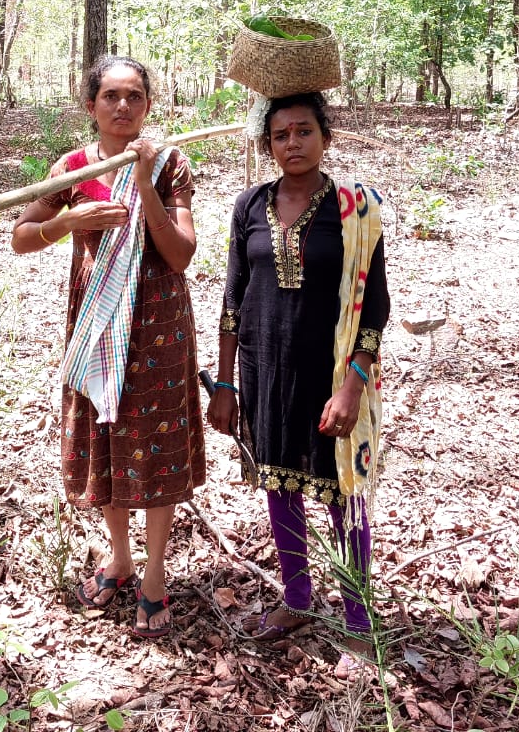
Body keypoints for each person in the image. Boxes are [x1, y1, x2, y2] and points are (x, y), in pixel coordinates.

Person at [11, 55, 205, 639]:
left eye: (134, 96)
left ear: (148, 104)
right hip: (96, 324)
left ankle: (154, 573)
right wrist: (68, 221)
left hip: (158, 325)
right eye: (110, 96)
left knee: (157, 442)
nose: (123, 106)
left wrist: (143, 185)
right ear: (91, 104)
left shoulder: (169, 164)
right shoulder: (71, 169)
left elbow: (181, 254)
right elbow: (21, 237)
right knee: (108, 436)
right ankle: (119, 556)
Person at [206, 91, 390, 657]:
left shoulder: (355, 210)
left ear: (326, 137)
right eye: (281, 135)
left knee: (342, 494)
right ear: (268, 145)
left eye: (304, 131)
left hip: (329, 374)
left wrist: (352, 386)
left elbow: (374, 306)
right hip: (264, 372)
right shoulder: (249, 206)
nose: (293, 143)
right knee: (279, 485)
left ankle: (357, 614)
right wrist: (226, 383)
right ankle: (298, 595)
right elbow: (233, 299)